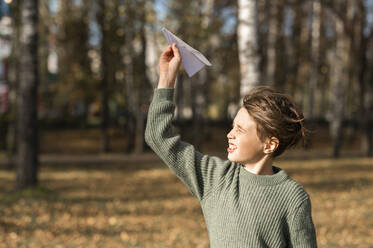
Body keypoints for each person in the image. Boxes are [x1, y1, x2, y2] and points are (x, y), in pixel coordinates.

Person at [145, 43, 317, 247]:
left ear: (269, 145)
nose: (229, 135)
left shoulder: (292, 198)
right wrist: (166, 77)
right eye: (232, 126)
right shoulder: (215, 178)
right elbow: (158, 136)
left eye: (240, 130)